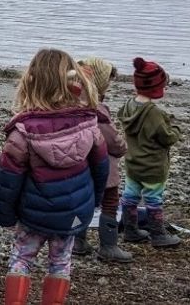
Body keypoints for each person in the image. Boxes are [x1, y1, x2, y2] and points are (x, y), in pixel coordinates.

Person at [0, 48, 108, 305]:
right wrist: (94, 201)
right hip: (72, 213)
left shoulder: (23, 131)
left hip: (33, 214)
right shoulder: (89, 123)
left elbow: (7, 181)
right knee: (60, 262)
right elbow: (101, 168)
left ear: (32, 81)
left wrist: (5, 216)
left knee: (22, 259)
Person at [73, 57, 133, 262]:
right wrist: (122, 147)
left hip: (79, 166)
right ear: (99, 81)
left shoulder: (71, 102)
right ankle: (108, 246)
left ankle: (77, 240)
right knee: (110, 202)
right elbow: (112, 140)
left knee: (82, 202)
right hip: (102, 166)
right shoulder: (96, 108)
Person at [118, 57, 182, 249]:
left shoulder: (128, 106)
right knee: (154, 198)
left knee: (130, 196)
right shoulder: (154, 113)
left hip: (133, 163)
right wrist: (177, 129)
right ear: (157, 87)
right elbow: (167, 137)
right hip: (152, 165)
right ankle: (158, 234)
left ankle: (130, 230)